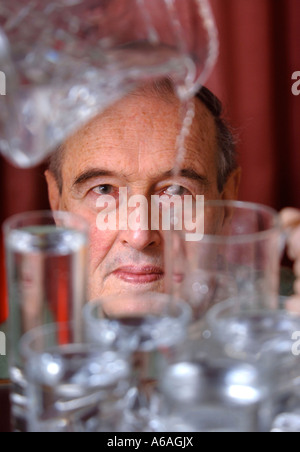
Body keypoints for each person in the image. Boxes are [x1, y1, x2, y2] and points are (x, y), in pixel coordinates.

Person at [45, 79, 300, 308]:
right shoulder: (15, 346)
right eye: (103, 190)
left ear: (226, 201)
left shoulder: (285, 312)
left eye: (176, 191)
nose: (140, 236)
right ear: (58, 205)